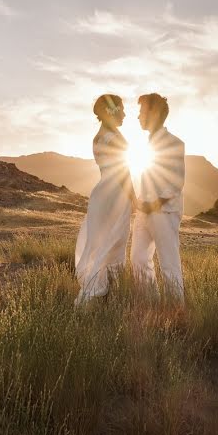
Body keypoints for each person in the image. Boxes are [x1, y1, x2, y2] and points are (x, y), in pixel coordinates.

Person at [74, 94, 136, 306]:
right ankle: (110, 296)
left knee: (102, 242)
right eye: (122, 109)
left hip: (101, 194)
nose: (125, 114)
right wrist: (133, 196)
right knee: (116, 243)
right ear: (112, 111)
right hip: (116, 194)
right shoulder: (115, 137)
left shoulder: (97, 137)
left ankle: (100, 292)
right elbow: (123, 171)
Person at [131, 93, 185, 301]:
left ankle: (176, 312)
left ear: (154, 113)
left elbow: (176, 182)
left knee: (169, 264)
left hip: (164, 211)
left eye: (142, 111)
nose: (138, 117)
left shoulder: (174, 143)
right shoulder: (143, 146)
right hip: (144, 211)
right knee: (138, 259)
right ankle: (150, 303)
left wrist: (155, 203)